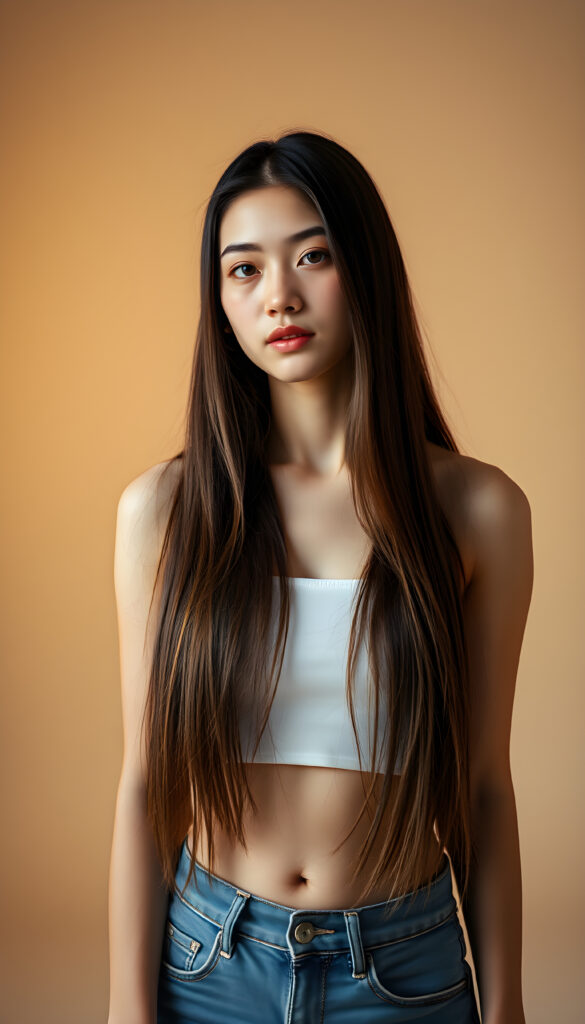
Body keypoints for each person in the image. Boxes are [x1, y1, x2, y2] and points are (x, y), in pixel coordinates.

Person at [107, 130, 533, 1024]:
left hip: (403, 970)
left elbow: (482, 790)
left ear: (366, 269)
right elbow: (146, 786)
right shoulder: (164, 511)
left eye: (313, 255)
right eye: (244, 270)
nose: (280, 296)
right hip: (209, 965)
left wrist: (507, 1010)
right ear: (220, 302)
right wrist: (126, 1010)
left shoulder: (477, 511)